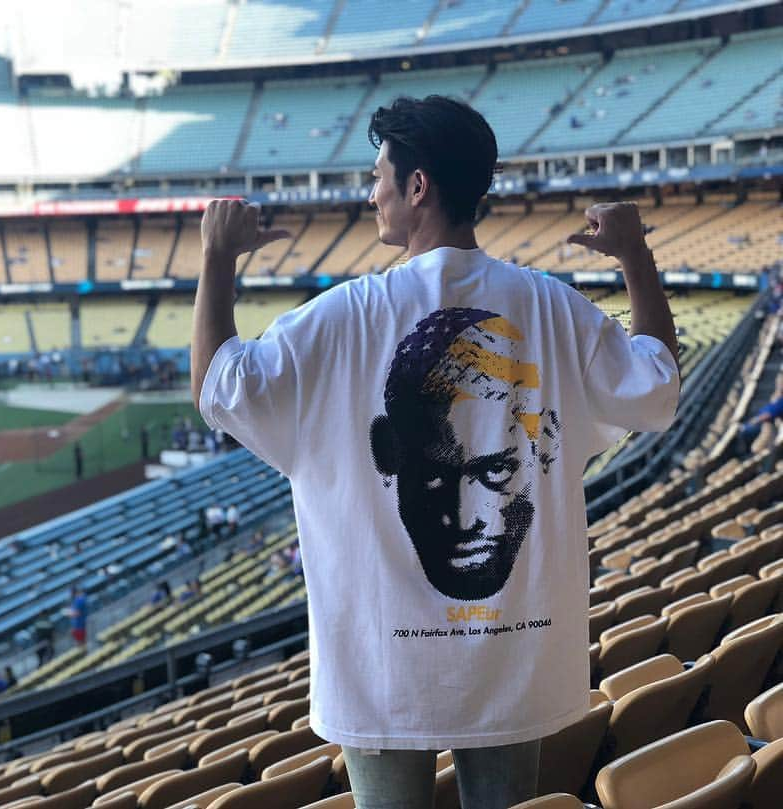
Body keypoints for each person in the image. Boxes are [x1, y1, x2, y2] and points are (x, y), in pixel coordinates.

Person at [191, 95, 679, 809]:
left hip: (379, 675)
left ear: (418, 187)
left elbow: (217, 388)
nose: (371, 191)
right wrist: (636, 255)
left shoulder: (342, 316)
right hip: (517, 664)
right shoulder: (553, 306)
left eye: (379, 174)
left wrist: (216, 257)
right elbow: (658, 389)